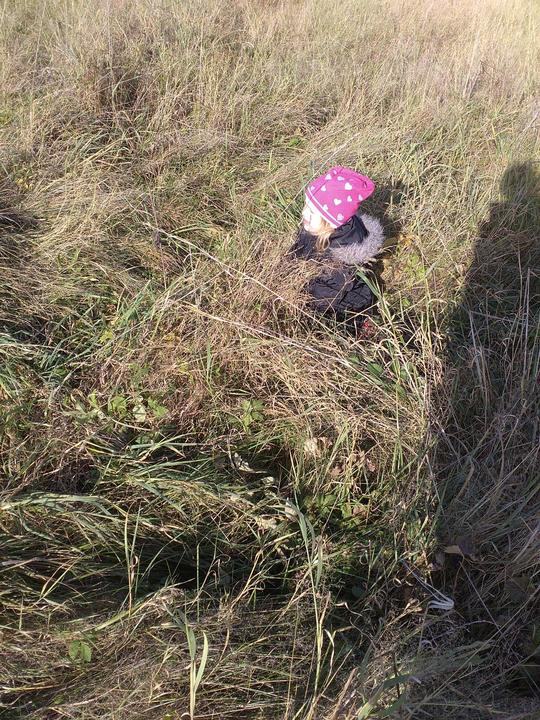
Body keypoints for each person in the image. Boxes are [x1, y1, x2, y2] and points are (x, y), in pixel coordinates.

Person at [288, 166, 384, 335]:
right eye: (306, 206)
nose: (304, 213)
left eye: (312, 212)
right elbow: (298, 250)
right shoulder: (317, 229)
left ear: (331, 222)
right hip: (319, 285)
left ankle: (362, 325)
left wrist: (301, 298)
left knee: (341, 323)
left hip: (343, 302)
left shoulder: (340, 259)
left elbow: (325, 296)